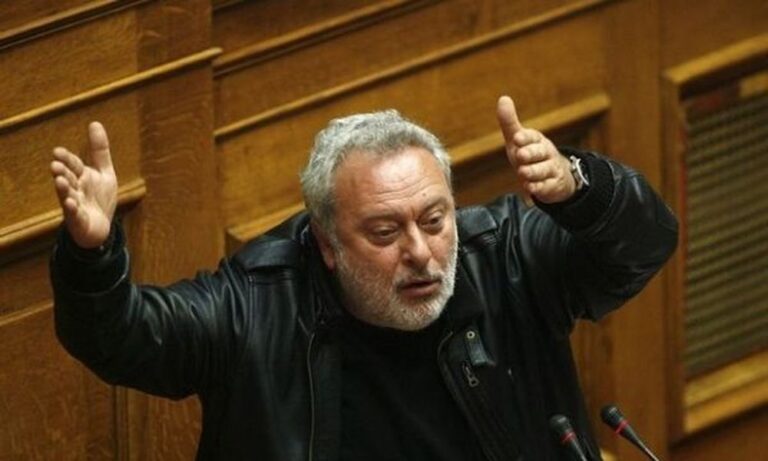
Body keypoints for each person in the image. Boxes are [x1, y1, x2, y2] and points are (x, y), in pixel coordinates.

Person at [49, 96, 678, 460]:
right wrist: (93, 253)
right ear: (326, 243)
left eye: (434, 220)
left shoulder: (505, 257)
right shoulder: (257, 307)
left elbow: (646, 244)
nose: (421, 253)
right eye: (384, 233)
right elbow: (119, 337)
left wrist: (581, 189)